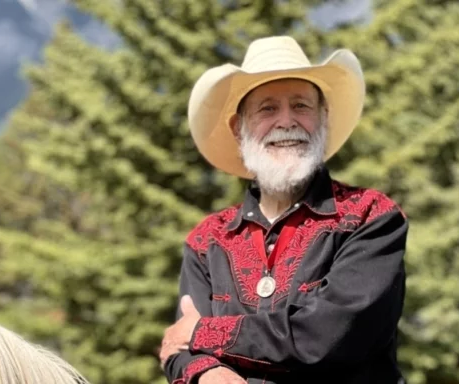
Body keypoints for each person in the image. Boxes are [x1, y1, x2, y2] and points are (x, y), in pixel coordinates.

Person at [159, 36, 408, 384]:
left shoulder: (371, 216)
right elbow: (178, 347)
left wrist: (204, 332)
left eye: (301, 106)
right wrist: (207, 373)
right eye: (267, 109)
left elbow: (327, 335)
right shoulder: (206, 240)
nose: (286, 122)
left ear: (323, 118)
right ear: (238, 129)